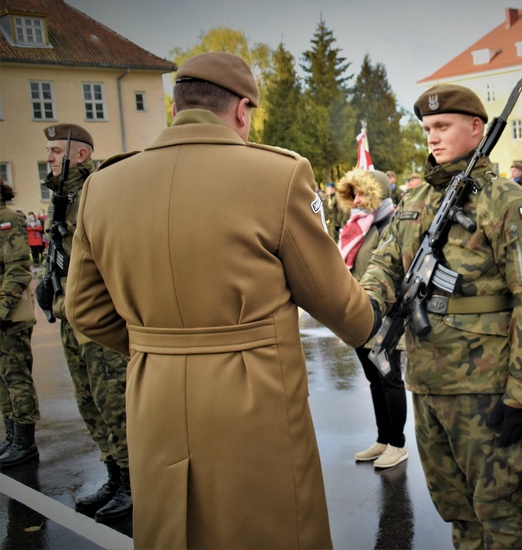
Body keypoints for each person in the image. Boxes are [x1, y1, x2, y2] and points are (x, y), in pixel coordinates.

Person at [65, 52, 376, 549]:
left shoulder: (102, 186)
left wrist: (162, 347)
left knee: (173, 532)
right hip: (255, 401)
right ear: (241, 110)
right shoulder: (278, 174)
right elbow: (340, 306)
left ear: (176, 109)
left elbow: (83, 310)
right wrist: (371, 314)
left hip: (155, 399)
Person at [360, 83, 522, 549]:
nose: (432, 137)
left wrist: (519, 395)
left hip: (487, 390)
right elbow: (384, 265)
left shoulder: (509, 203)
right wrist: (368, 303)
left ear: (476, 128)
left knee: (501, 513)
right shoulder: (416, 203)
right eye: (427, 128)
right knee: (458, 513)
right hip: (428, 386)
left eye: (442, 126)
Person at [36, 123, 132, 522]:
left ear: (80, 155)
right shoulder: (60, 199)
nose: (49, 157)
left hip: (98, 320)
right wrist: (48, 285)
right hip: (68, 318)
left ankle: (132, 481)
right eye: (49, 152)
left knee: (115, 404)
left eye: (57, 151)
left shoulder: (98, 193)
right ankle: (114, 474)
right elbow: (57, 248)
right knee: (89, 404)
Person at [336, 168, 408, 469]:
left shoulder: (390, 223)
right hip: (360, 314)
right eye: (354, 194)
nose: (357, 199)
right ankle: (382, 438)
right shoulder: (357, 225)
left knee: (389, 379)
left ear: (377, 193)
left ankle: (397, 444)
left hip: (386, 315)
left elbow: (397, 269)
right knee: (374, 381)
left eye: (363, 193)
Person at [0, 181, 40, 468]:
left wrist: (1, 309)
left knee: (16, 377)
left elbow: (18, 268)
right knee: (2, 379)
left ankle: (25, 443)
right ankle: (12, 436)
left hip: (9, 314)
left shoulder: (8, 219)